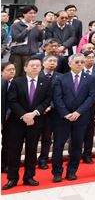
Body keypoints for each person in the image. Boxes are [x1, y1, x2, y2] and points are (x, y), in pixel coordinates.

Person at [3, 57, 52, 190]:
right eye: (32, 65)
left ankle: (29, 177)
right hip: (17, 122)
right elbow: (12, 100)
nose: (35, 67)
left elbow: (47, 101)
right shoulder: (17, 82)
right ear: (25, 68)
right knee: (14, 151)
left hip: (35, 122)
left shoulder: (45, 82)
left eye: (37, 65)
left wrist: (34, 113)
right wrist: (24, 115)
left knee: (31, 150)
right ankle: (12, 178)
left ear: (41, 68)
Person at [50, 54, 95, 182]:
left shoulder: (91, 79)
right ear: (69, 64)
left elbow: (91, 97)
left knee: (77, 146)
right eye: (77, 62)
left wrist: (78, 112)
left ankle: (72, 171)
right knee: (58, 145)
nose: (80, 64)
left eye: (82, 62)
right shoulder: (61, 79)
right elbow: (57, 98)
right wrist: (66, 113)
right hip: (62, 118)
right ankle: (57, 172)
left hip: (81, 118)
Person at [8, 5, 41, 78]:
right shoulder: (16, 25)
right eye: (30, 13)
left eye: (34, 13)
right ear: (24, 14)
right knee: (15, 75)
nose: (33, 15)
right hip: (18, 54)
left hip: (31, 54)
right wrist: (27, 29)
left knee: (28, 76)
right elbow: (17, 38)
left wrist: (41, 30)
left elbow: (40, 39)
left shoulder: (35, 25)